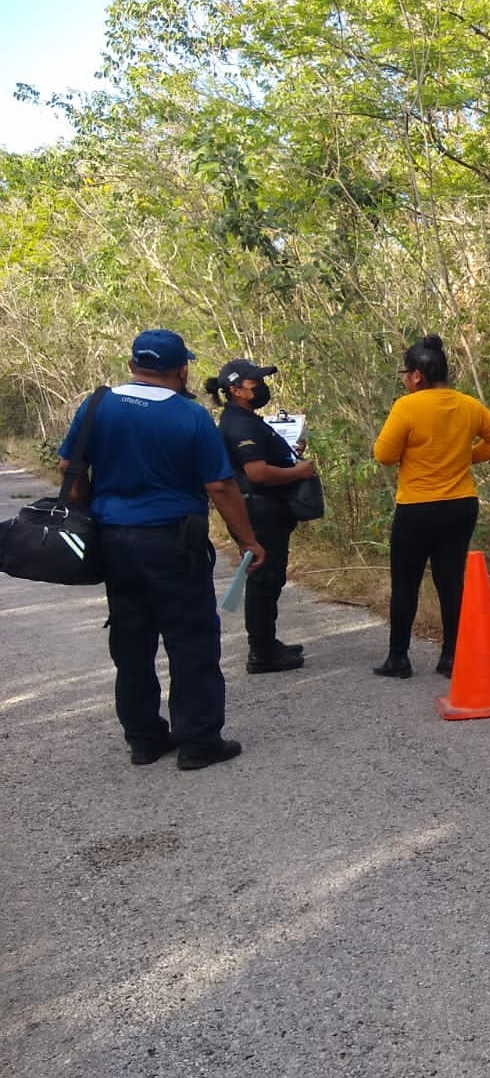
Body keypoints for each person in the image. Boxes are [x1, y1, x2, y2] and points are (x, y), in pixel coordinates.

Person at [58, 328, 266, 771]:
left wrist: (87, 512)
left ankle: (145, 739)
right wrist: (246, 539)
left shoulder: (98, 405)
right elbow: (220, 485)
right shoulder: (190, 417)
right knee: (191, 639)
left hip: (114, 540)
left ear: (134, 364)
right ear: (182, 368)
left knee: (131, 641)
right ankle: (198, 741)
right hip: (175, 542)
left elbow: (69, 467)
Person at [371, 334, 490, 679]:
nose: (404, 379)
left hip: (418, 508)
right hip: (460, 505)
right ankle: (451, 656)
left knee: (406, 582)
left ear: (417, 375)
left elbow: (384, 456)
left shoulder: (407, 407)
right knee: (451, 582)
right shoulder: (467, 405)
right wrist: (465, 458)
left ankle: (398, 659)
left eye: (405, 373)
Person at [203, 358, 319, 674]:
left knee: (269, 578)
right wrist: (297, 472)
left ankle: (268, 641)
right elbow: (256, 472)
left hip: (265, 509)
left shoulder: (246, 419)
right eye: (255, 383)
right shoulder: (238, 424)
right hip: (258, 510)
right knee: (264, 580)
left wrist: (289, 453)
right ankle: (262, 652)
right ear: (236, 390)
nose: (262, 388)